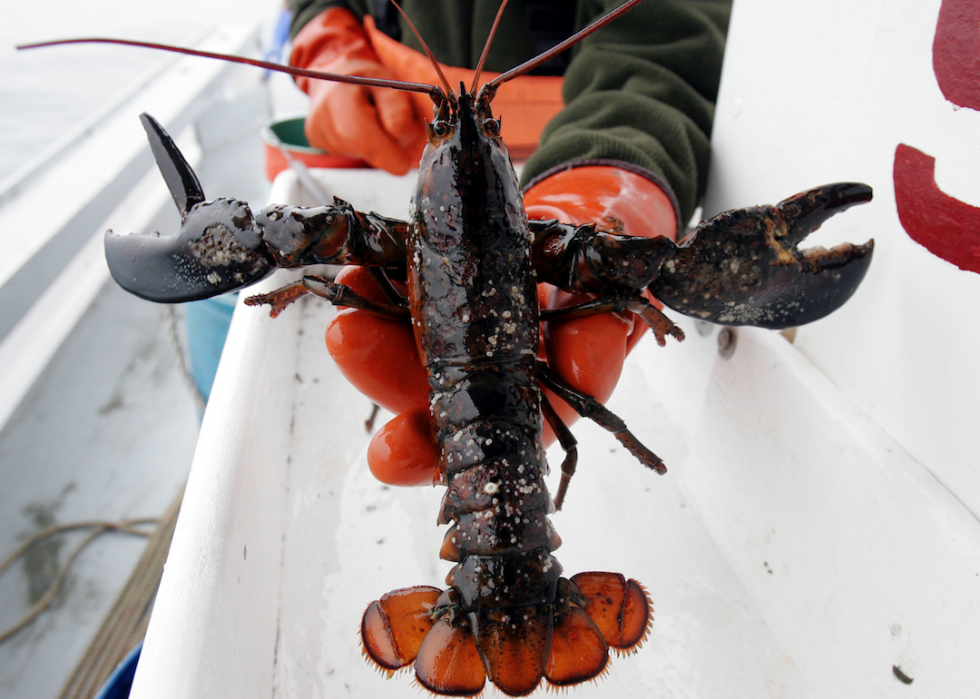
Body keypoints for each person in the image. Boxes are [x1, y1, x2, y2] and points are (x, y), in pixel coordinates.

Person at [285, 0, 730, 487]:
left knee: (356, 297)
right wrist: (328, 46)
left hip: (578, 151)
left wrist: (606, 180)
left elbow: (669, 40)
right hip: (381, 157)